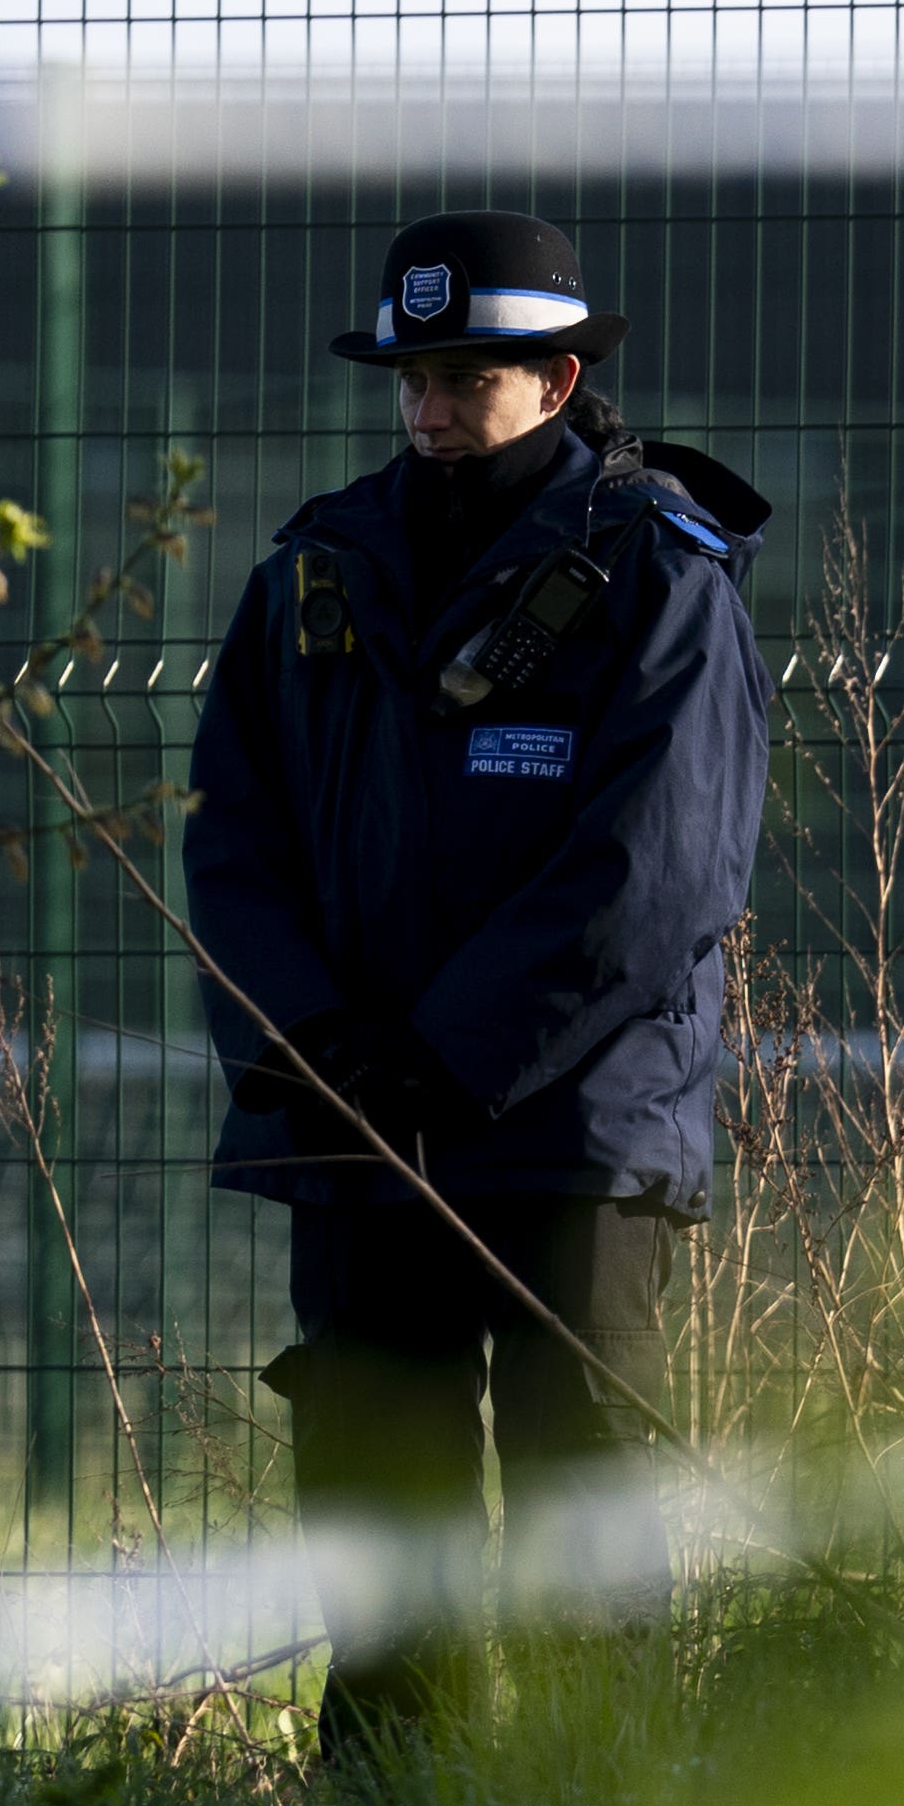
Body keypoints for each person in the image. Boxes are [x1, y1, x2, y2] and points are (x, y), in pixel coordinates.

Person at [182, 210, 771, 1618]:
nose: (431, 415)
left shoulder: (659, 577)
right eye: (412, 382)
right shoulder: (309, 574)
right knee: (381, 1503)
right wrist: (313, 1039)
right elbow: (227, 843)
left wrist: (446, 1057)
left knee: (586, 1506)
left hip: (571, 1135)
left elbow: (660, 868)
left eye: (468, 383)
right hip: (358, 1123)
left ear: (556, 383)